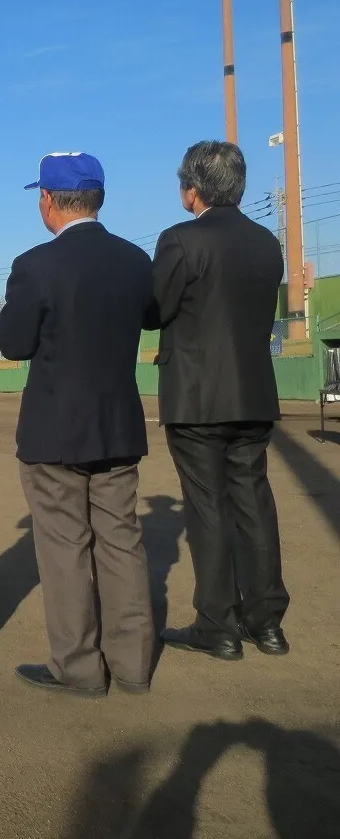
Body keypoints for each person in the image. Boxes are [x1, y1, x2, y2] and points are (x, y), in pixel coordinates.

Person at [0, 152, 157, 697]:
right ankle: (133, 665)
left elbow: (13, 343)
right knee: (121, 542)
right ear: (98, 198)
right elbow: (155, 315)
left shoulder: (36, 264)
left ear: (48, 200)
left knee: (65, 549)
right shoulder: (135, 260)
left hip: (54, 432)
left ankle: (79, 668)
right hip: (118, 426)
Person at [153, 140, 290, 661]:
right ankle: (266, 623)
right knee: (254, 504)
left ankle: (218, 626)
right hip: (253, 393)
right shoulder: (266, 243)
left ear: (193, 190)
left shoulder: (181, 239)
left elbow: (156, 307)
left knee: (207, 508)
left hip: (196, 397)